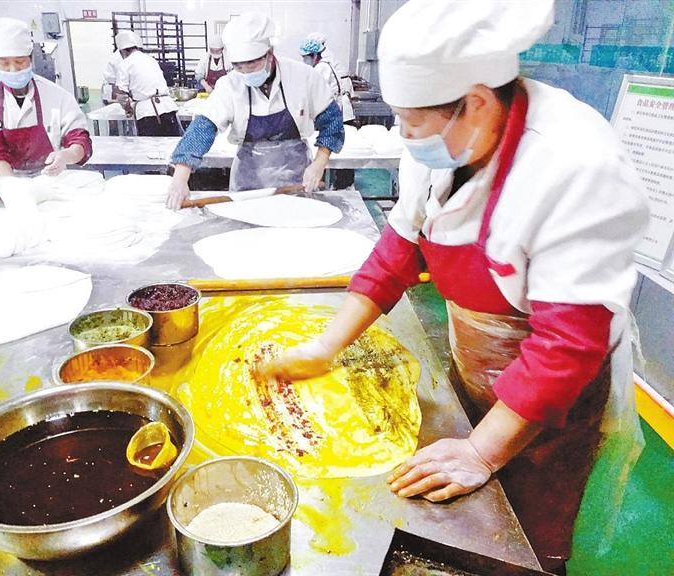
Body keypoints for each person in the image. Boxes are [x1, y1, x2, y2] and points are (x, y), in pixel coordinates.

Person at [259, 1, 648, 573]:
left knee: (524, 535)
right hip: (477, 361)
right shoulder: (448, 141)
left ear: (477, 103)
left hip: (556, 397)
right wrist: (324, 346)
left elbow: (566, 345)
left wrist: (480, 451)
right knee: (468, 513)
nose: (403, 133)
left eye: (411, 121)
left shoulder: (574, 166)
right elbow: (399, 250)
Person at [166, 12, 344, 209]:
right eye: (238, 66)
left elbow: (332, 122)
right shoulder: (230, 84)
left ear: (270, 53)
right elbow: (204, 126)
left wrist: (319, 163)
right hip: (247, 182)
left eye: (252, 63)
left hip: (296, 177)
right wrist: (181, 176)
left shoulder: (303, 77)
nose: (246, 72)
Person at [0, 18, 92, 184]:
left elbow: (80, 140)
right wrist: (12, 186)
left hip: (49, 179)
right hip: (2, 180)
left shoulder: (57, 95)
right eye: (4, 63)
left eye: (20, 61)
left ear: (31, 58)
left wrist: (66, 155)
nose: (13, 69)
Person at [114, 30, 181, 137]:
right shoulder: (151, 60)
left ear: (122, 51)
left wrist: (128, 109)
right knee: (172, 144)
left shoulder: (125, 64)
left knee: (149, 146)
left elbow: (121, 94)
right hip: (168, 109)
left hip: (148, 115)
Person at [300, 38, 354, 124]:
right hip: (336, 110)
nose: (304, 60)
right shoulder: (323, 65)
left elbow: (316, 92)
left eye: (306, 57)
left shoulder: (321, 67)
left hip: (339, 112)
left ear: (315, 55)